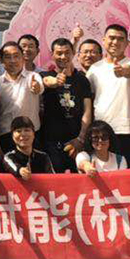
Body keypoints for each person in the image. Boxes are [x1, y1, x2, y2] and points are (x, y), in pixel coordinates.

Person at [86, 24, 130, 163]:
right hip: (100, 132)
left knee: (127, 173)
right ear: (104, 40)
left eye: (120, 39)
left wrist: (123, 71)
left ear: (127, 43)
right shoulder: (94, 69)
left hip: (125, 130)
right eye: (111, 38)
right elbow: (88, 99)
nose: (115, 42)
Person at [40, 38, 93, 173]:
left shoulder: (82, 79)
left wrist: (81, 138)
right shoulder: (44, 75)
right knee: (55, 180)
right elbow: (46, 81)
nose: (63, 57)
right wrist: (55, 82)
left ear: (73, 53)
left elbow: (87, 111)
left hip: (77, 142)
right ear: (52, 55)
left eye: (67, 53)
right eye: (59, 53)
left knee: (80, 179)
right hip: (52, 143)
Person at [0, 42, 46, 152]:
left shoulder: (33, 76)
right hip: (6, 136)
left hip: (31, 135)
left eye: (16, 56)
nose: (12, 60)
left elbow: (39, 88)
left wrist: (36, 87)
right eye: (8, 57)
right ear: (2, 61)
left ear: (23, 58)